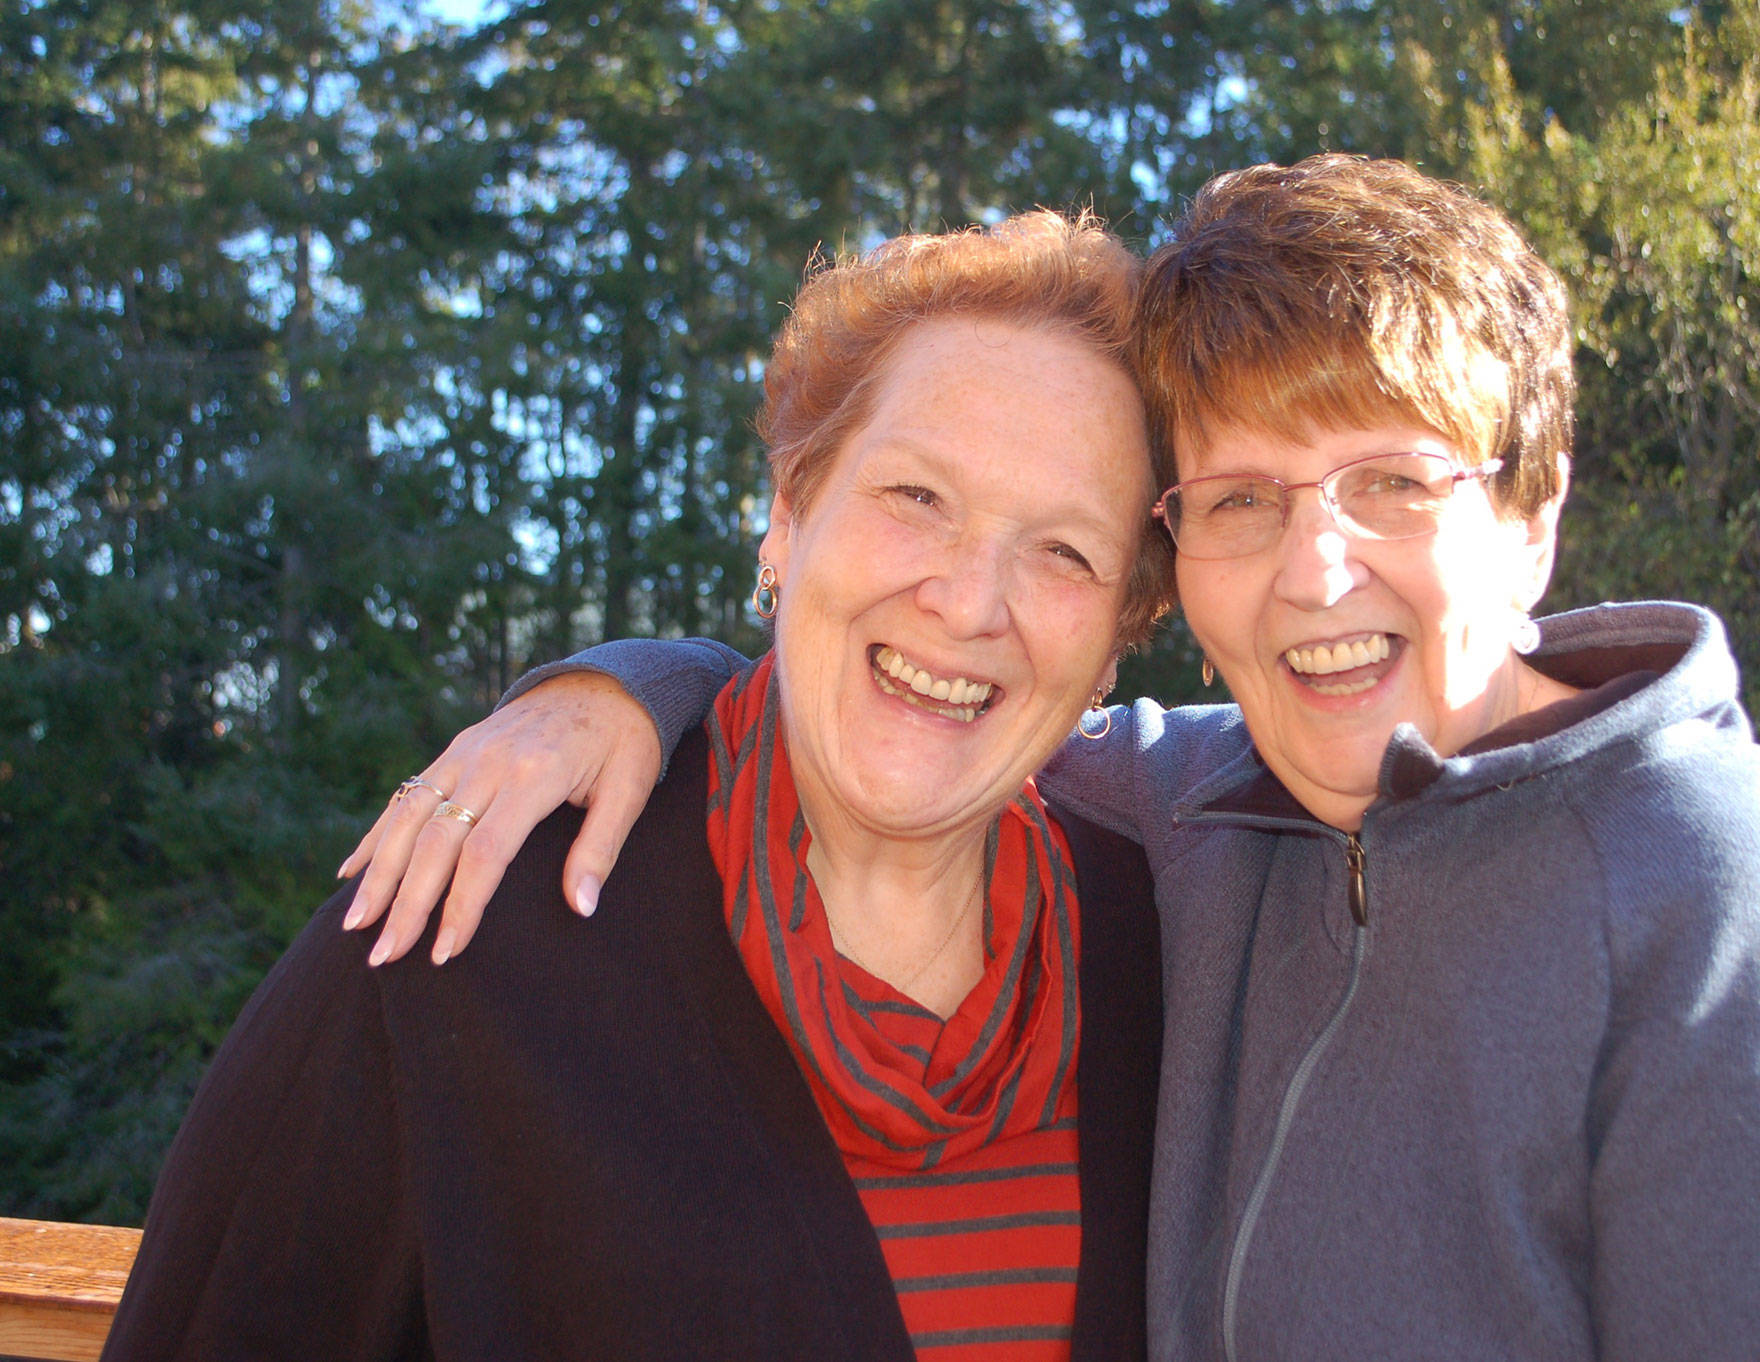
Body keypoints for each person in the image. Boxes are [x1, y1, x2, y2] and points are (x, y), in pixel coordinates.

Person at [340, 157, 1760, 1360]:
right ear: (1174, 566)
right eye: (1241, 501)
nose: (1314, 568)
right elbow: (927, 694)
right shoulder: (1194, 808)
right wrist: (629, 687)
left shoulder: (1735, 938)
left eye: (1394, 483)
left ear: (1530, 518)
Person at [103, 211, 1175, 1362]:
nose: (971, 603)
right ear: (786, 514)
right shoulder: (465, 923)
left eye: (1064, 550)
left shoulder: (1167, 951)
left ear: (1119, 635)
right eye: (915, 496)